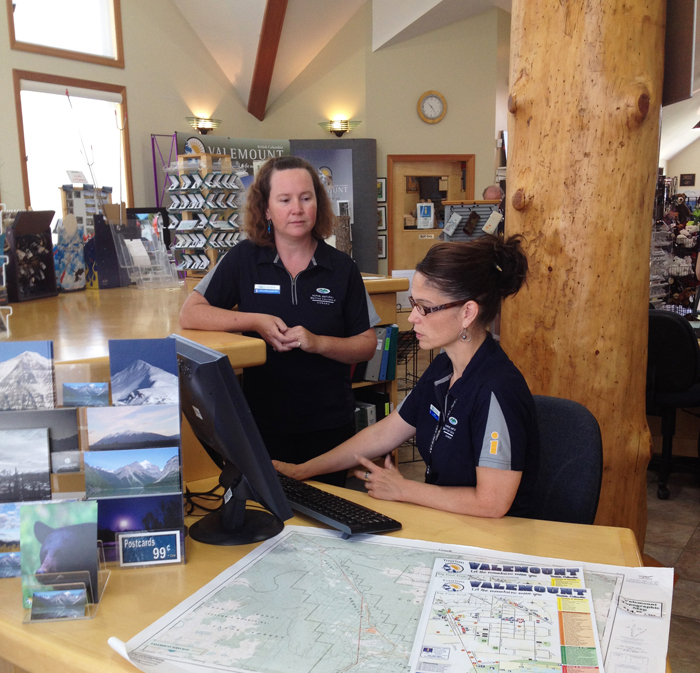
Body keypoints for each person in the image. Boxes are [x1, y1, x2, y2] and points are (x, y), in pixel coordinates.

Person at [275, 234, 539, 518]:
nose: (413, 317)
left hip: (494, 540)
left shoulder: (497, 389)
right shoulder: (443, 369)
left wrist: (403, 489)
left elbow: (492, 503)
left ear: (467, 313)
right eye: (414, 303)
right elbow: (385, 432)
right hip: (447, 522)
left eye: (425, 307)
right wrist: (303, 470)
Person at [179, 155, 377, 484]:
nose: (297, 209)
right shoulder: (245, 258)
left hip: (329, 429)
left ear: (318, 203)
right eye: (284, 200)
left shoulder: (342, 268)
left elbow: (367, 345)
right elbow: (191, 312)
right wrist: (253, 321)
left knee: (327, 522)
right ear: (267, 209)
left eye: (306, 197)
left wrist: (318, 343)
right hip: (262, 426)